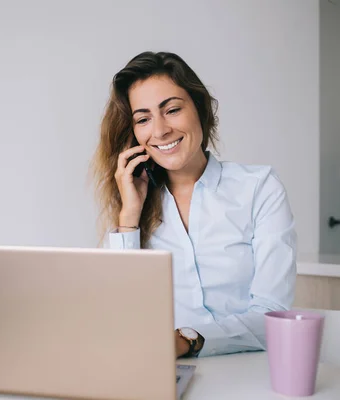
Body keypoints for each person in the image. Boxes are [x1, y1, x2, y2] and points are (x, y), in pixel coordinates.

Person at [92, 51, 296, 359]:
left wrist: (188, 340)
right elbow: (117, 315)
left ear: (199, 108)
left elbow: (273, 313)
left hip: (249, 369)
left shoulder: (259, 187)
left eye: (172, 110)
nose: (159, 131)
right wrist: (129, 217)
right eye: (143, 119)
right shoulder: (138, 207)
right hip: (160, 373)